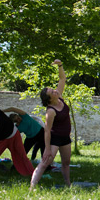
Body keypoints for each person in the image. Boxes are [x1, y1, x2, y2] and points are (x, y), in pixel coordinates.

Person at [30, 59, 72, 190]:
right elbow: (47, 131)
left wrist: (60, 65)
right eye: (52, 92)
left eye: (53, 90)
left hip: (65, 138)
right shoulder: (50, 111)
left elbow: (62, 79)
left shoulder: (59, 97)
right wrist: (47, 149)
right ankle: (32, 187)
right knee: (45, 162)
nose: (55, 91)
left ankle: (68, 185)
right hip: (54, 139)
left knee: (66, 162)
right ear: (49, 99)